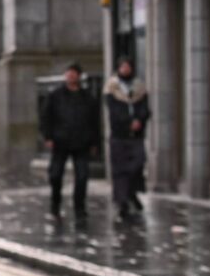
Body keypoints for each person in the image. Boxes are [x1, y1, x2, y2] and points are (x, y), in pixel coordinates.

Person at [42, 63, 104, 218]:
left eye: (73, 74)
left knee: (82, 176)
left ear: (79, 76)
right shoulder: (55, 96)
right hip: (60, 141)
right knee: (56, 175)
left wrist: (95, 142)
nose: (70, 77)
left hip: (81, 141)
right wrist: (48, 136)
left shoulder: (88, 98)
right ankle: (55, 204)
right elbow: (46, 117)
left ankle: (79, 207)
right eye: (68, 74)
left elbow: (95, 121)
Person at [107, 59, 151, 225]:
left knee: (138, 163)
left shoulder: (139, 87)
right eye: (122, 66)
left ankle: (131, 192)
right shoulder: (112, 88)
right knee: (120, 170)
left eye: (128, 66)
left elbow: (145, 108)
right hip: (119, 134)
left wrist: (139, 120)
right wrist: (128, 122)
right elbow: (114, 111)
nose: (125, 69)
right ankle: (122, 201)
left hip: (136, 136)